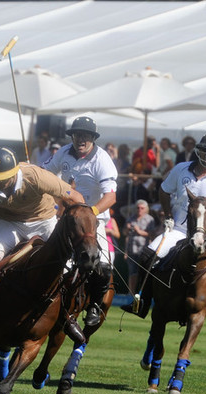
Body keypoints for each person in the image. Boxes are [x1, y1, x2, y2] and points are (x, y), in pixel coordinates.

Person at [0, 147, 85, 337]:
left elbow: (75, 197)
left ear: (14, 173)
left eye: (3, 179)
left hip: (43, 221)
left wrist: (74, 225)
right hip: (8, 223)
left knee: (68, 269)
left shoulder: (36, 176)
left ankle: (66, 316)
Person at [121, 133, 206, 333]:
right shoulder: (180, 169)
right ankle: (142, 302)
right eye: (204, 150)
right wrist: (168, 214)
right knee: (147, 257)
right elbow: (164, 190)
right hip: (178, 229)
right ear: (198, 150)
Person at [43, 116, 118, 327]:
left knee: (104, 264)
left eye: (86, 136)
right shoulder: (64, 152)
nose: (81, 139)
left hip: (95, 220)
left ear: (93, 138)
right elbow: (46, 173)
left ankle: (94, 304)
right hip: (66, 218)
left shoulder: (102, 160)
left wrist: (90, 214)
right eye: (77, 135)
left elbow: (110, 197)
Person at [124, 199, 156, 294]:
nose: (139, 210)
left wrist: (139, 231)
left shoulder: (150, 219)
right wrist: (127, 228)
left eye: (142, 208)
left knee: (143, 272)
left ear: (146, 209)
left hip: (143, 249)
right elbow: (125, 233)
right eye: (138, 208)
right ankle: (131, 293)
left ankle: (143, 293)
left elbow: (152, 234)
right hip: (131, 249)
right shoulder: (131, 218)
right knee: (132, 272)